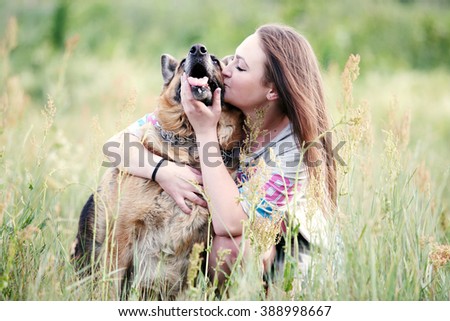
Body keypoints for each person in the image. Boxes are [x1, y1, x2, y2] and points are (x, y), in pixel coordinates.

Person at [106, 24, 336, 284]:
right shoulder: (231, 111)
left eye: (239, 67)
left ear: (271, 91)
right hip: (233, 235)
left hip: (291, 259)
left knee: (233, 248)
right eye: (231, 60)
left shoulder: (294, 150)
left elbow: (230, 224)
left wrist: (205, 133)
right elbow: (114, 146)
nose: (225, 70)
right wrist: (163, 171)